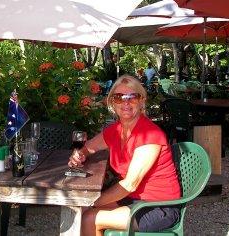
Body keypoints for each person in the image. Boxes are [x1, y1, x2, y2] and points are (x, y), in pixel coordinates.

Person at [68, 74, 180, 235]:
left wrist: (94, 202)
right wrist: (80, 154)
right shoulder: (116, 130)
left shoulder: (149, 134)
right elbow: (89, 147)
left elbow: (130, 184)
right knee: (80, 211)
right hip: (132, 199)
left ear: (142, 101)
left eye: (132, 97)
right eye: (119, 97)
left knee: (89, 217)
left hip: (158, 206)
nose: (126, 103)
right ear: (112, 102)